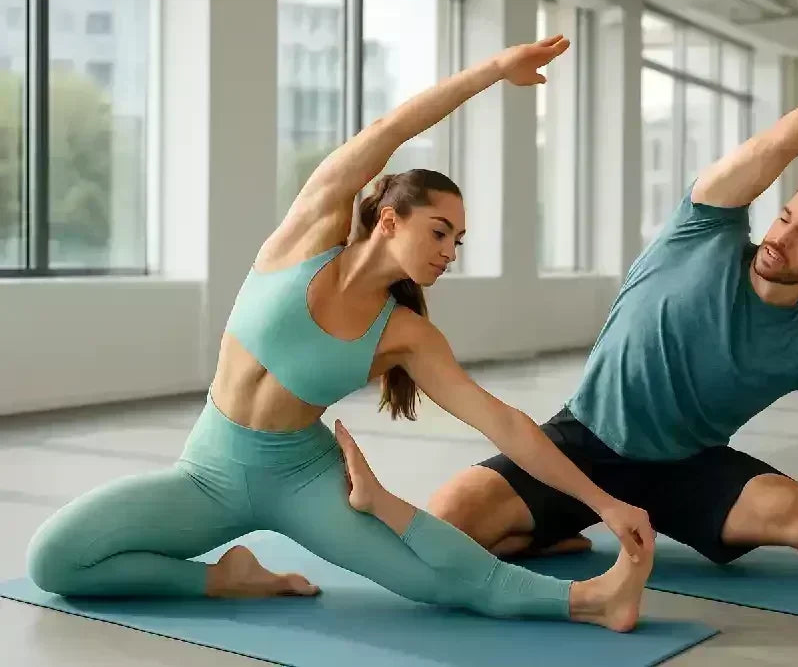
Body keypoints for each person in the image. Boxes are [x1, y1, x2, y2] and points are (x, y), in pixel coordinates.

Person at [24, 35, 655, 632]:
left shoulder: (405, 335)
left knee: (438, 582)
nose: (449, 252)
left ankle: (591, 599)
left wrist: (604, 503)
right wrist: (492, 71)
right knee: (55, 560)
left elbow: (506, 424)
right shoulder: (308, 233)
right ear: (388, 218)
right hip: (208, 472)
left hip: (302, 480)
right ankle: (227, 580)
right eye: (439, 232)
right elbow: (390, 131)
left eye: (457, 242)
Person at [430, 40, 798, 627]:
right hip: (581, 442)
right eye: (785, 217)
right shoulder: (704, 227)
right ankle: (541, 535)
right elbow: (782, 139)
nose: (780, 238)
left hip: (686, 469)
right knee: (446, 519)